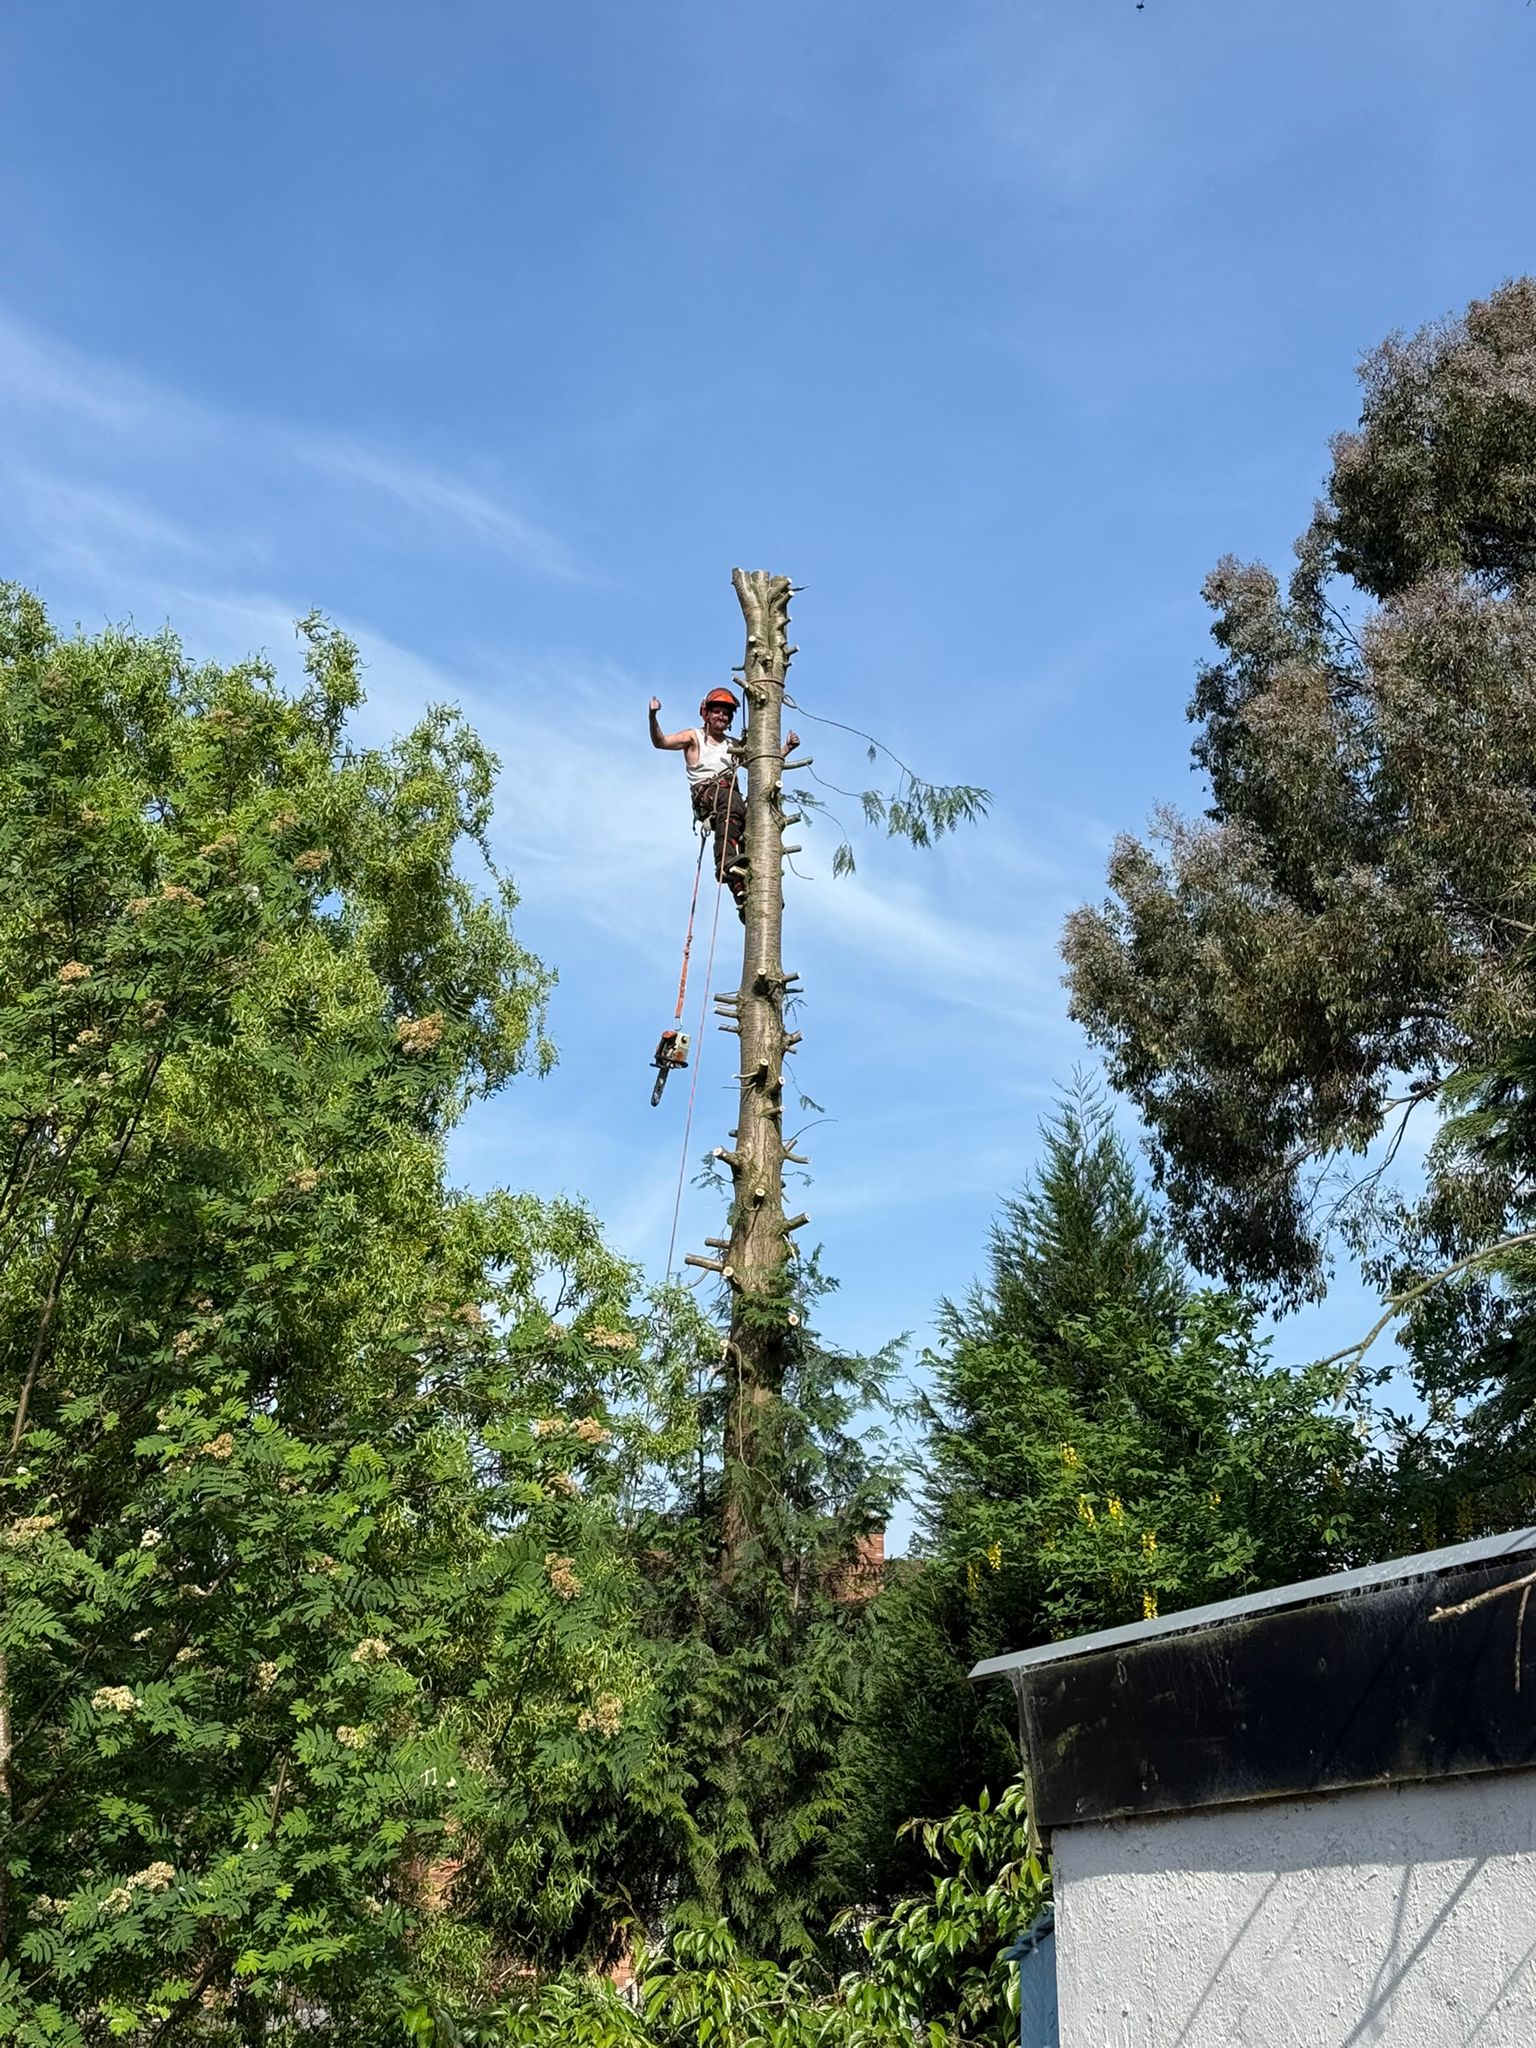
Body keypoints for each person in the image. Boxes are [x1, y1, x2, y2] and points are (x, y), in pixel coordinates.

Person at [648, 687, 800, 917]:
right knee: (729, 799)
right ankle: (725, 862)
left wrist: (787, 749)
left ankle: (746, 893)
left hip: (729, 800)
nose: (721, 716)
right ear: (706, 713)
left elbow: (762, 763)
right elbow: (660, 741)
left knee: (755, 823)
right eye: (717, 712)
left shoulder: (734, 745)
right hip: (708, 793)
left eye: (725, 714)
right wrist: (653, 716)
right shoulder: (694, 738)